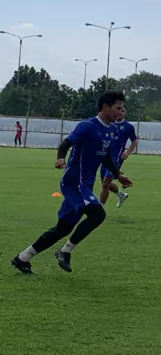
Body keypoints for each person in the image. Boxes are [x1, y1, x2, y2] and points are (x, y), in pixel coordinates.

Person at [10, 91, 132, 275]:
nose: (120, 112)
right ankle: (65, 251)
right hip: (73, 183)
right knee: (97, 214)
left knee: (63, 228)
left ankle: (23, 258)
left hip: (85, 185)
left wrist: (118, 175)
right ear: (105, 106)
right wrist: (60, 158)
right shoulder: (87, 126)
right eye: (117, 108)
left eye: (122, 108)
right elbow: (65, 144)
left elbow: (105, 155)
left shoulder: (112, 130)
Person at [100, 105, 137, 208]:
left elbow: (134, 141)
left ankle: (99, 210)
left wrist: (127, 152)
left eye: (123, 110)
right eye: (118, 110)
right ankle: (121, 195)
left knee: (105, 184)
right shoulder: (109, 124)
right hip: (105, 157)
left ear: (125, 113)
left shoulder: (128, 127)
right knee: (105, 184)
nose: (120, 112)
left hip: (116, 158)